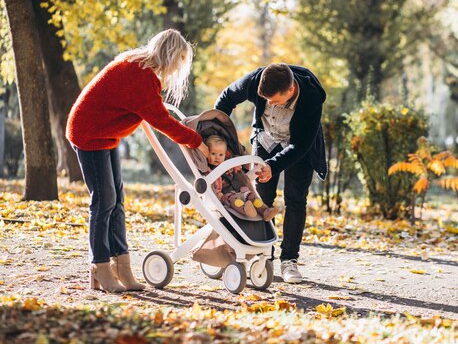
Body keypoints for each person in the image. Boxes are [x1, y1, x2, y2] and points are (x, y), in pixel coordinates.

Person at [66, 29, 209, 293]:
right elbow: (163, 122)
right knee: (104, 200)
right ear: (170, 55)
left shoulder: (139, 68)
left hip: (104, 135)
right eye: (179, 61)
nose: (179, 69)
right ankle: (99, 266)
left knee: (117, 201)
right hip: (89, 133)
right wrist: (198, 142)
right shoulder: (139, 76)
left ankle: (122, 268)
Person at [214, 63, 327, 283]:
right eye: (265, 100)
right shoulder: (257, 80)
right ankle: (264, 257)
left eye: (274, 101)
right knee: (261, 199)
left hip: (298, 146)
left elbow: (301, 145)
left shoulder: (312, 96)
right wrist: (217, 133)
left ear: (291, 90)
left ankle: (289, 260)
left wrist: (273, 166)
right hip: (266, 139)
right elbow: (226, 98)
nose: (268, 104)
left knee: (295, 200)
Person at [204, 135, 278, 221]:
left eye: (221, 154)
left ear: (225, 154)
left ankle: (265, 211)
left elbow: (239, 170)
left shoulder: (229, 163)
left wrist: (237, 165)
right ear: (207, 153)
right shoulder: (209, 171)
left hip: (241, 189)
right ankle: (246, 209)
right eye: (213, 154)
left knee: (251, 196)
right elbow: (213, 188)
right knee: (234, 201)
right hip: (227, 195)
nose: (217, 157)